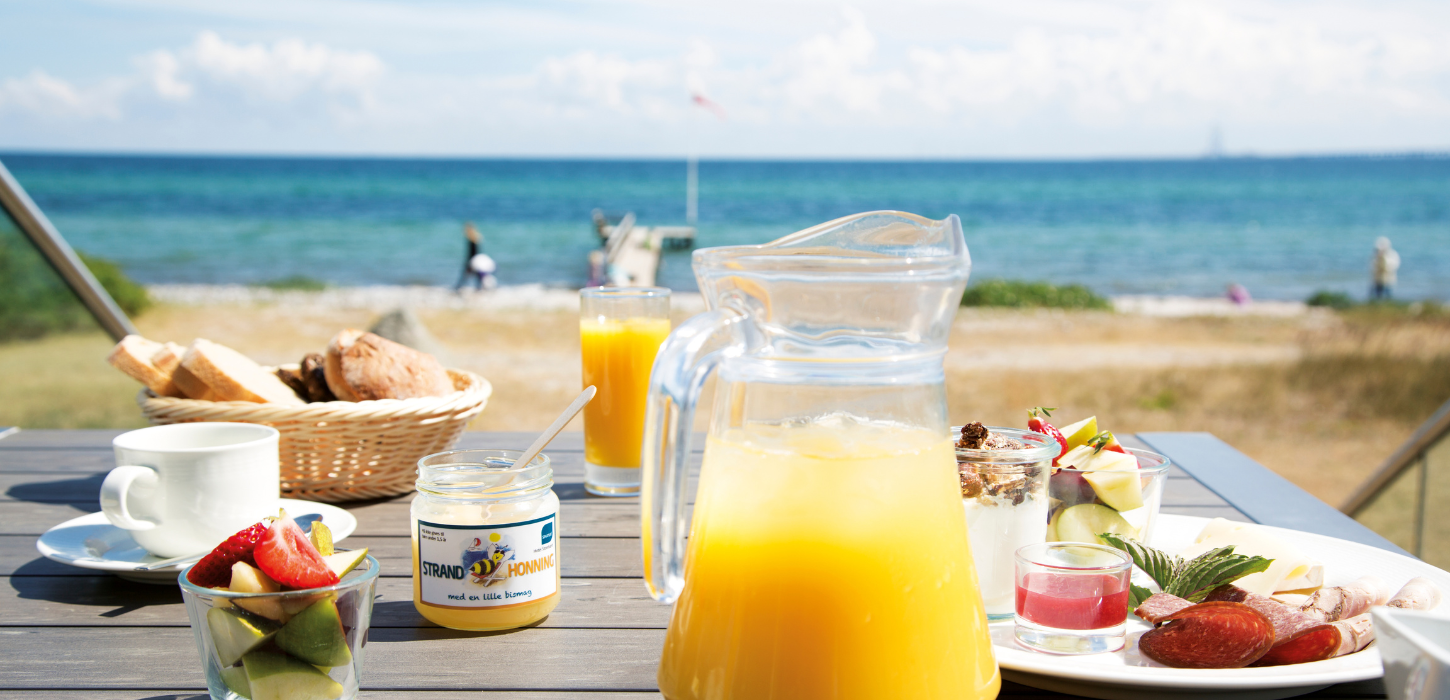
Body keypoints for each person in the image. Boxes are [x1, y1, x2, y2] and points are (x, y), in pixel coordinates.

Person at [455, 222, 498, 291]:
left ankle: (458, 288)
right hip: (476, 260)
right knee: (477, 276)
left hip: (473, 260)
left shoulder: (471, 239)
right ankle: (478, 288)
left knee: (465, 276)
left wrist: (470, 262)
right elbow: (478, 251)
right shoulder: (477, 238)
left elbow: (471, 252)